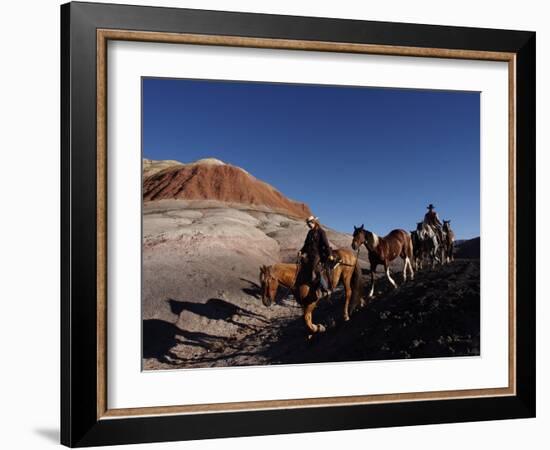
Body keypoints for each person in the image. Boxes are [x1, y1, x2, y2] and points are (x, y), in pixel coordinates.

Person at [298, 215, 332, 297]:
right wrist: (301, 251)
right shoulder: (310, 232)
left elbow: (326, 244)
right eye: (307, 223)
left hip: (318, 254)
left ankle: (325, 289)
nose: (308, 225)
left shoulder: (321, 232)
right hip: (309, 254)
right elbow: (306, 244)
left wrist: (330, 254)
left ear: (313, 222)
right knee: (303, 267)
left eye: (309, 223)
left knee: (315, 270)